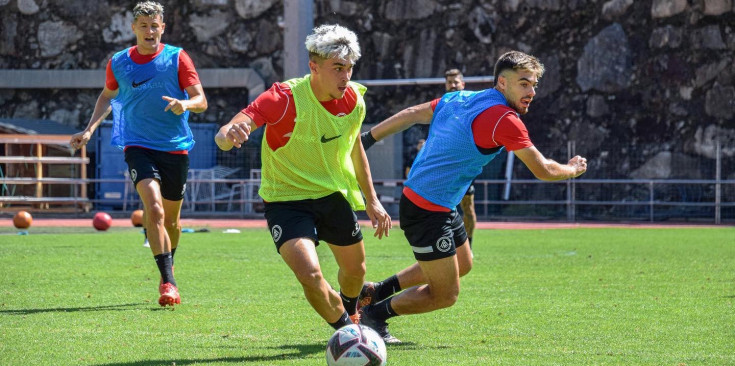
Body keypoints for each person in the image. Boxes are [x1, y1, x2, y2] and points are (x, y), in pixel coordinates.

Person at [358, 51, 587, 343]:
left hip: (440, 202)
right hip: (426, 209)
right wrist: (572, 169)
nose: (531, 92)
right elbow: (542, 169)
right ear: (502, 84)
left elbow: (412, 114)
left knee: (463, 263)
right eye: (523, 84)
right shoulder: (505, 119)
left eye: (533, 85)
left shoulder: (461, 98)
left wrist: (367, 139)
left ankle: (376, 291)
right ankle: (375, 315)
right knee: (445, 295)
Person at [215, 24, 392, 332]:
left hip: (331, 195)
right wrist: (229, 134)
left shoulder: (354, 102)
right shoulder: (283, 97)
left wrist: (372, 200)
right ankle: (347, 332)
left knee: (355, 271)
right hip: (286, 200)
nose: (345, 77)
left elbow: (354, 149)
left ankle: (351, 312)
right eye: (337, 68)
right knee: (310, 274)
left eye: (349, 68)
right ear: (314, 67)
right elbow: (226, 133)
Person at [70, 1, 207, 307]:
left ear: (163, 27)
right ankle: (168, 282)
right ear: (133, 28)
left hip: (175, 147)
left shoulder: (178, 58)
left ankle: (167, 266)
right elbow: (107, 95)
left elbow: (201, 100)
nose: (149, 31)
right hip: (137, 145)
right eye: (143, 26)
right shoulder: (118, 61)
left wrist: (184, 104)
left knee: (171, 221)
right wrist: (90, 129)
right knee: (154, 210)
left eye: (154, 25)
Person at [444, 69, 478, 246]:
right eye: (449, 82)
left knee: (468, 208)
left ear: (463, 84)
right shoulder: (442, 106)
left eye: (456, 82)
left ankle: (468, 246)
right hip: (445, 165)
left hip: (465, 165)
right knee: (442, 208)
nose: (453, 85)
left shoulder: (472, 104)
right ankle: (447, 245)